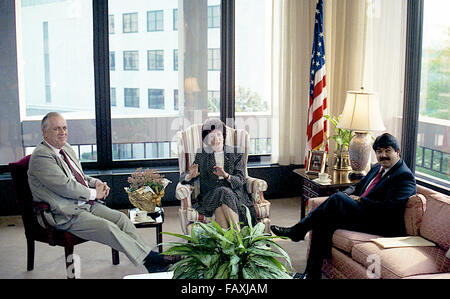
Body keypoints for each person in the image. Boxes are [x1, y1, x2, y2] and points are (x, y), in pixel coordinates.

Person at [28, 112, 176, 273]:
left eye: (64, 128)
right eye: (57, 129)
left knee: (121, 219)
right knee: (106, 227)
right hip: (64, 213)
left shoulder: (65, 148)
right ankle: (154, 258)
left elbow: (79, 176)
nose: (63, 132)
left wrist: (96, 183)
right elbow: (65, 186)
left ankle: (151, 263)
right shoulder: (41, 156)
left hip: (84, 204)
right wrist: (94, 194)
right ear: (44, 132)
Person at [271, 133, 417, 279]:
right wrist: (348, 194)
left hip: (381, 223)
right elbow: (357, 186)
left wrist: (358, 201)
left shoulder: (404, 176)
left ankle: (298, 231)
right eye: (379, 151)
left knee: (337, 199)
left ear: (397, 152)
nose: (383, 155)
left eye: (387, 150)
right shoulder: (377, 167)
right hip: (364, 214)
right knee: (324, 220)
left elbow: (389, 208)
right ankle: (311, 274)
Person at [180, 118, 257, 229]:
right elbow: (183, 176)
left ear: (224, 136)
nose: (216, 139)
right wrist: (190, 176)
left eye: (219, 135)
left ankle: (226, 242)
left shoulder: (236, 152)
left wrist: (226, 175)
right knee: (222, 193)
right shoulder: (202, 154)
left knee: (220, 204)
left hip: (235, 195)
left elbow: (241, 179)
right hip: (210, 195)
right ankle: (238, 236)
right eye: (211, 136)